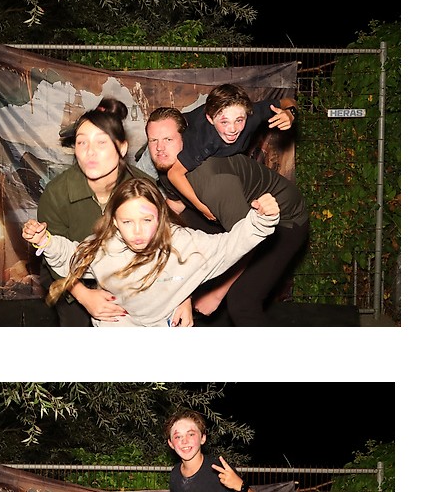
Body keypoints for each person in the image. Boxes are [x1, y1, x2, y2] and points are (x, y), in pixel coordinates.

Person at [23, 172, 280, 329]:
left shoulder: (183, 243)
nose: (138, 231)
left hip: (165, 323)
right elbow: (70, 256)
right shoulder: (105, 246)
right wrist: (45, 240)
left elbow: (229, 245)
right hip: (120, 321)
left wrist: (261, 219)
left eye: (147, 220)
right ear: (115, 222)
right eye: (127, 222)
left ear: (160, 218)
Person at [139, 107, 309, 326]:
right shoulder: (170, 167)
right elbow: (174, 208)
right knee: (183, 241)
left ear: (185, 140)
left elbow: (250, 239)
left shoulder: (212, 182)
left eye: (168, 139)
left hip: (284, 222)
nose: (159, 148)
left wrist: (217, 293)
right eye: (153, 140)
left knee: (241, 302)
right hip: (239, 213)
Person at [33, 99, 133, 326]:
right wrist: (84, 296)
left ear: (122, 148)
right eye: (81, 142)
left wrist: (181, 297)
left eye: (101, 142)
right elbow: (53, 255)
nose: (90, 152)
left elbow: (168, 246)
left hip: (129, 277)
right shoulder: (57, 193)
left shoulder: (143, 189)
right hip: (71, 278)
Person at [155, 83, 297, 221]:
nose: (232, 129)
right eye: (224, 122)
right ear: (210, 119)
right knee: (175, 194)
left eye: (239, 120)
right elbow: (174, 174)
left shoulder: (252, 115)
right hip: (168, 151)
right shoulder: (204, 140)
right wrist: (202, 207)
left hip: (207, 156)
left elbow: (289, 101)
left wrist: (290, 114)